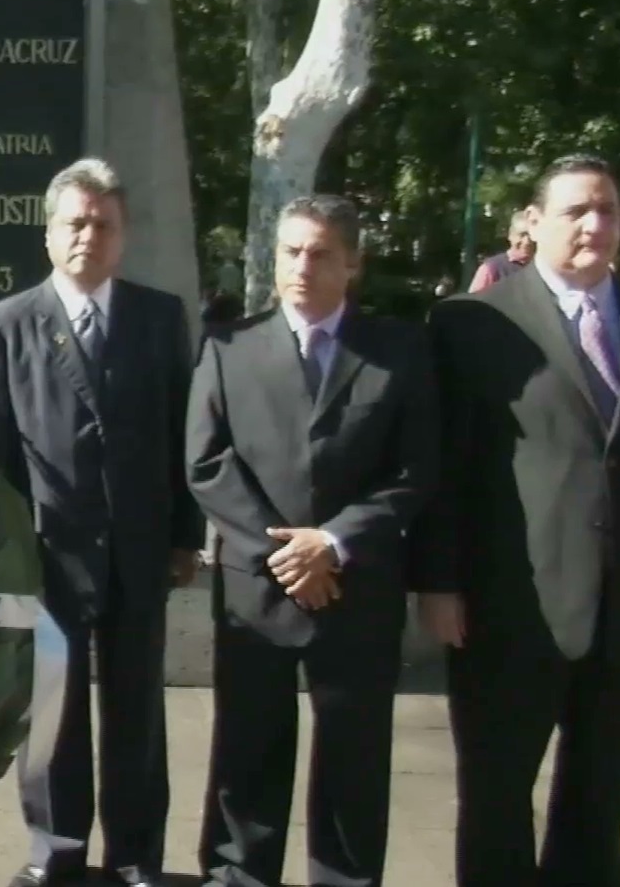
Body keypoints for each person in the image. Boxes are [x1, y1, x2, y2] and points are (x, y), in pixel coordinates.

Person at [417, 154, 620, 887]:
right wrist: (437, 582)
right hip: (510, 607)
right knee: (498, 800)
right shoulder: (471, 324)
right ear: (533, 224)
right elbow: (444, 466)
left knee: (598, 801)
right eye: (577, 210)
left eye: (609, 211)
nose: (596, 224)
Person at [0, 159, 202, 887]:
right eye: (75, 223)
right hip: (47, 554)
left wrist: (186, 535)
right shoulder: (2, 326)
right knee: (53, 715)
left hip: (139, 549)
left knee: (136, 716)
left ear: (123, 236)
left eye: (103, 225)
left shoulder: (159, 318)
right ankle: (55, 853)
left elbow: (182, 432)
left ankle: (135, 858)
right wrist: (1, 557)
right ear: (48, 234)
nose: (88, 237)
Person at [186, 195, 438, 887]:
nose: (303, 266)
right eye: (291, 251)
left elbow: (417, 469)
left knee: (354, 754)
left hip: (358, 586)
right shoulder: (228, 346)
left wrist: (332, 541)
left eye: (321, 252)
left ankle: (346, 877)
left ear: (352, 263)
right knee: (248, 747)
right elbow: (208, 463)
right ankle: (240, 873)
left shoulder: (400, 351)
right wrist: (288, 554)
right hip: (257, 588)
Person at [466, 205, 536, 292]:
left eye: (531, 235)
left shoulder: (543, 268)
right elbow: (473, 303)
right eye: (521, 235)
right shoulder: (492, 269)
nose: (527, 241)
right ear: (511, 236)